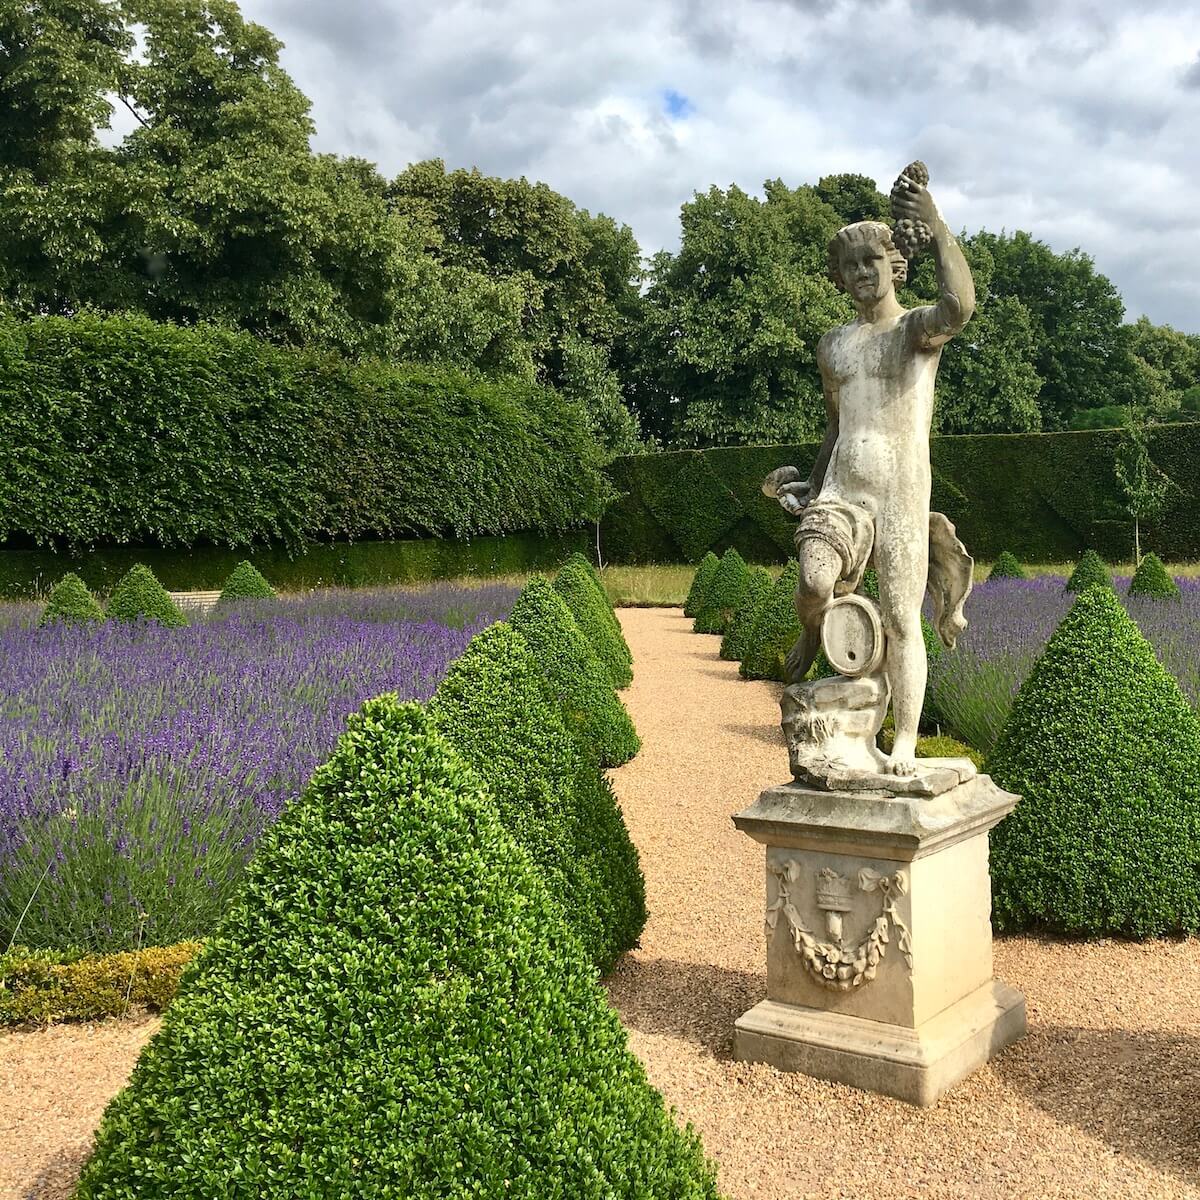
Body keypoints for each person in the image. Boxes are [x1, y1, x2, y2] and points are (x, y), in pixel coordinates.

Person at [773, 173, 975, 777]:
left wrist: (935, 229)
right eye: (851, 264)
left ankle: (904, 740)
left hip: (901, 493)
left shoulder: (915, 330)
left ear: (895, 265)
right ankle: (817, 631)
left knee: (900, 619)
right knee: (813, 582)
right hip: (843, 488)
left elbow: (960, 306)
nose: (863, 271)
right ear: (839, 278)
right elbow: (836, 425)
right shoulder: (833, 346)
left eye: (873, 259)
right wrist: (812, 485)